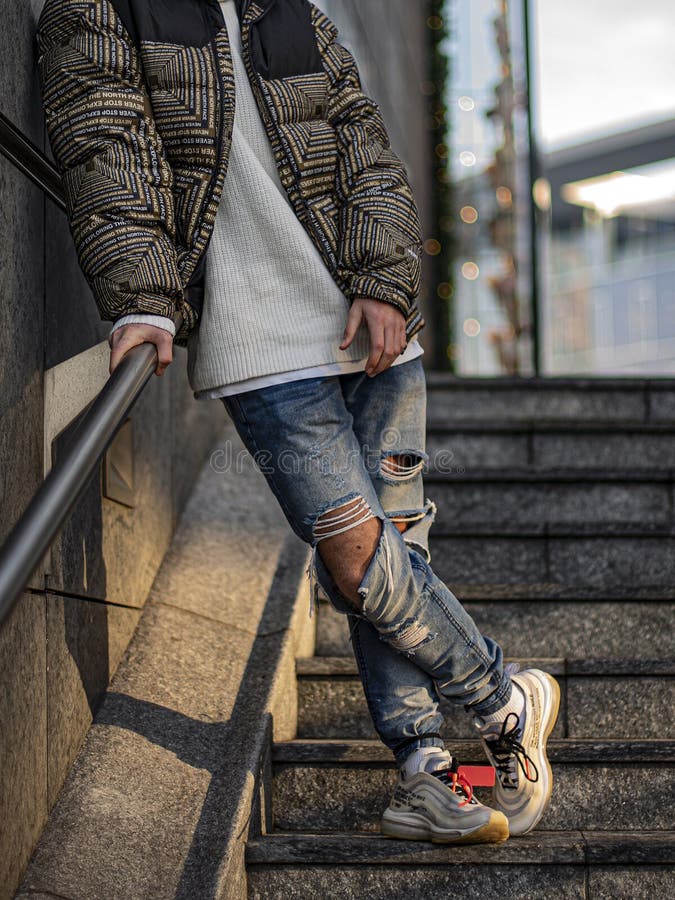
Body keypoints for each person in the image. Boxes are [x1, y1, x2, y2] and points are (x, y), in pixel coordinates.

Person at [37, 0, 560, 843]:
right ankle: (505, 702)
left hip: (370, 326)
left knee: (395, 552)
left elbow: (364, 144)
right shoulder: (100, 8)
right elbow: (107, 146)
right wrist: (141, 299)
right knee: (357, 562)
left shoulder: (287, 11)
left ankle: (427, 772)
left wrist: (386, 282)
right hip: (261, 345)